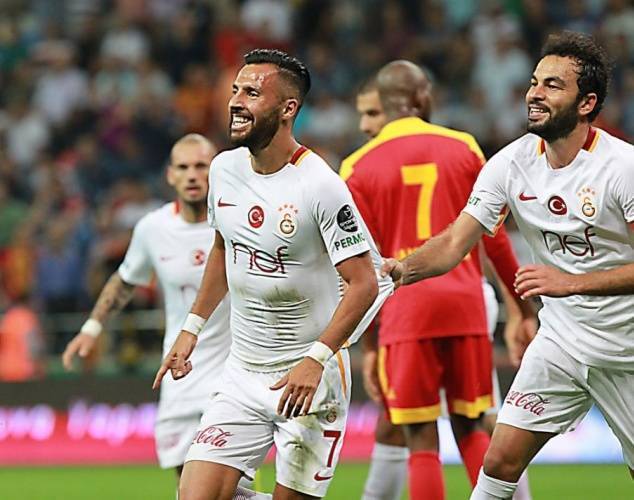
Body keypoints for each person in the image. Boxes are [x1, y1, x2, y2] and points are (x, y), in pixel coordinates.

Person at [382, 31, 634, 499]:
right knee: (499, 462)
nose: (535, 93)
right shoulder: (509, 164)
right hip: (562, 345)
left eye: (553, 85)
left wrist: (570, 282)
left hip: (627, 351)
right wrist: (400, 271)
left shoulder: (623, 167)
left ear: (586, 103)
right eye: (534, 82)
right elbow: (455, 241)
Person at [153, 49, 393, 500]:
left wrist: (316, 358)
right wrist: (192, 328)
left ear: (287, 109)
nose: (236, 102)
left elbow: (365, 282)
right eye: (235, 90)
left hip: (309, 379)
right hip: (241, 373)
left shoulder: (320, 185)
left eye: (252, 93)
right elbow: (224, 248)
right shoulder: (223, 169)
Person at [341, 61, 536, 500]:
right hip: (466, 306)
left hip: (406, 313)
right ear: (421, 97)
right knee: (472, 427)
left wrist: (369, 346)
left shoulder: (356, 168)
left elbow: (363, 270)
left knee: (420, 439)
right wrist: (522, 309)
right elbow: (496, 241)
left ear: (385, 103)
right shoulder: (463, 147)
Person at [61, 134, 236, 484]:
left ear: (215, 171)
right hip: (180, 373)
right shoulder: (153, 228)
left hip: (233, 371)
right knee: (187, 487)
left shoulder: (238, 221)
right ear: (170, 175)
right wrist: (92, 328)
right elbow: (125, 280)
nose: (192, 175)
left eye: (201, 166)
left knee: (231, 483)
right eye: (183, 167)